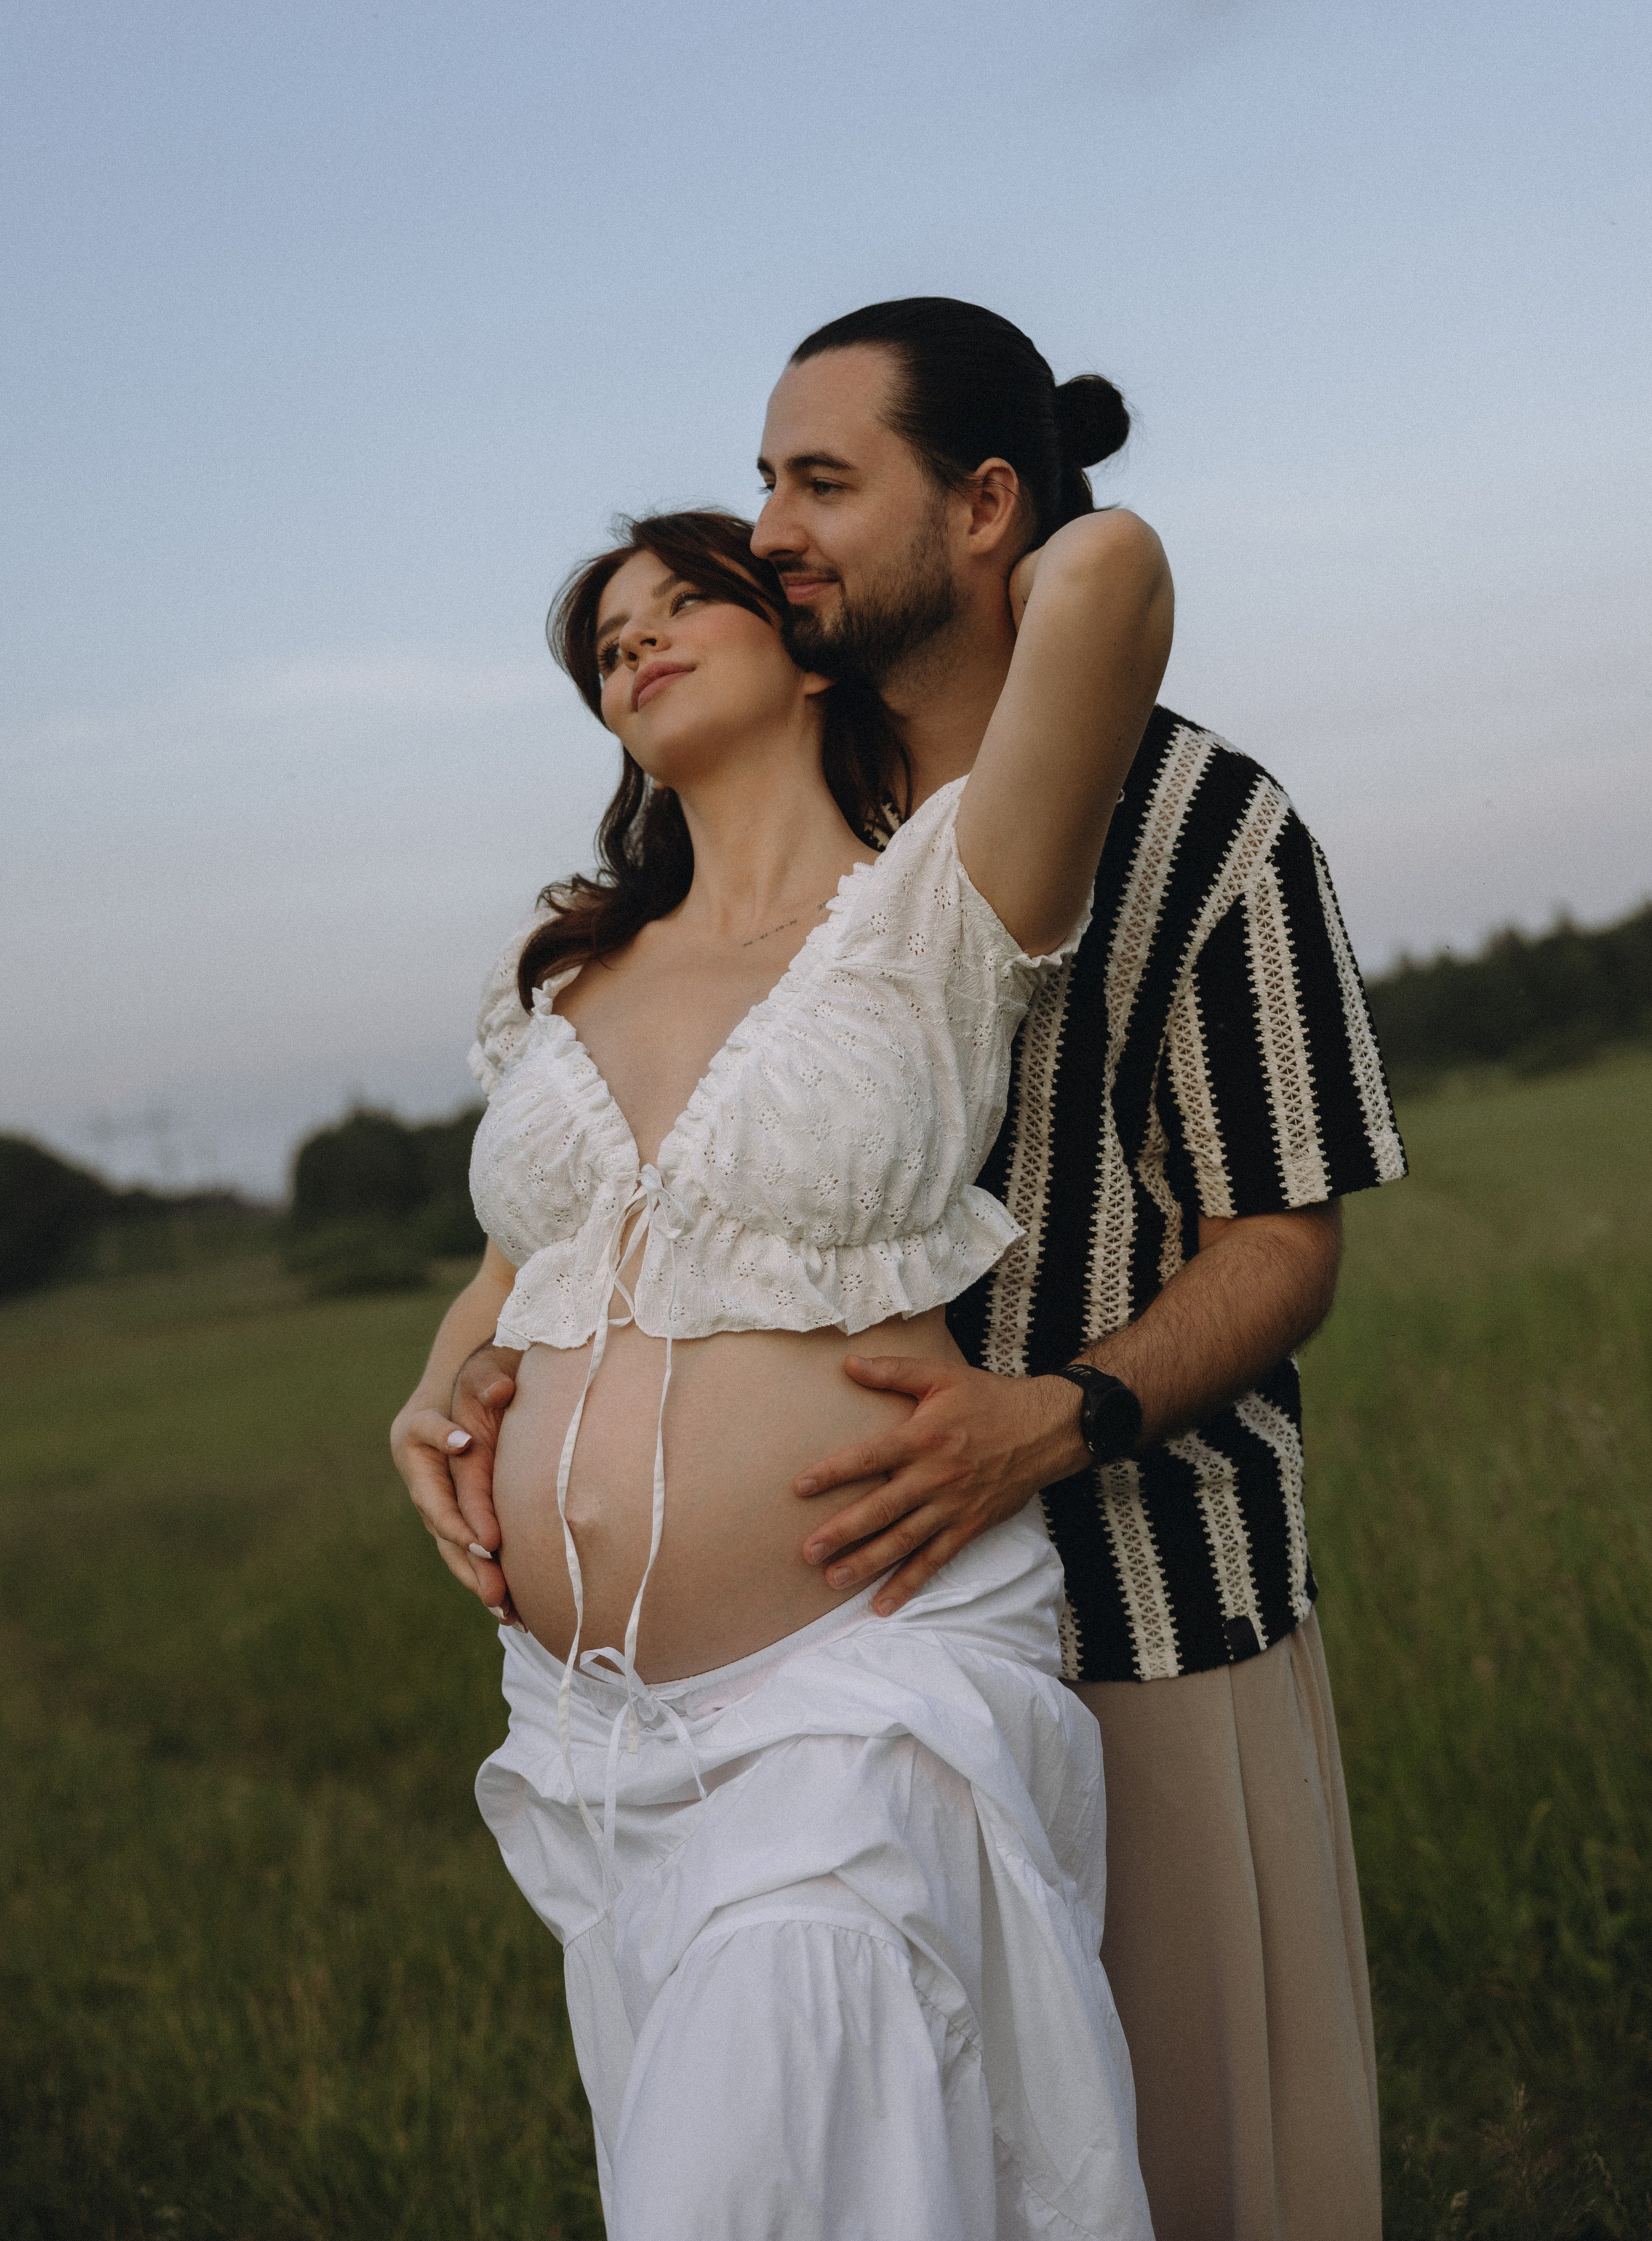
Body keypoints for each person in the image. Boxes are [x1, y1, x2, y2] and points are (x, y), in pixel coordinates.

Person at [394, 298, 1406, 2241]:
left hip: (1131, 1582)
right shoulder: (741, 863)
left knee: (1202, 2176)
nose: (768, 524)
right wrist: (451, 1375)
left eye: (818, 481)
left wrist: (1058, 1413)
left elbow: (1284, 1241)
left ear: (985, 510)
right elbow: (604, 1210)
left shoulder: (1184, 828)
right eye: (759, 482)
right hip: (745, 1669)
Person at [403, 485, 1173, 2238]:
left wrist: (876, 567)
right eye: (608, 645)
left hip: (859, 1674)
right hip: (599, 1730)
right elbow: (532, 1254)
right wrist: (430, 1390)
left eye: (686, 604)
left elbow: (1111, 574)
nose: (639, 646)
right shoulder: (574, 971)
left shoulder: (943, 901)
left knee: (741, 2158)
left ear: (801, 649)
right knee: (770, 2166)